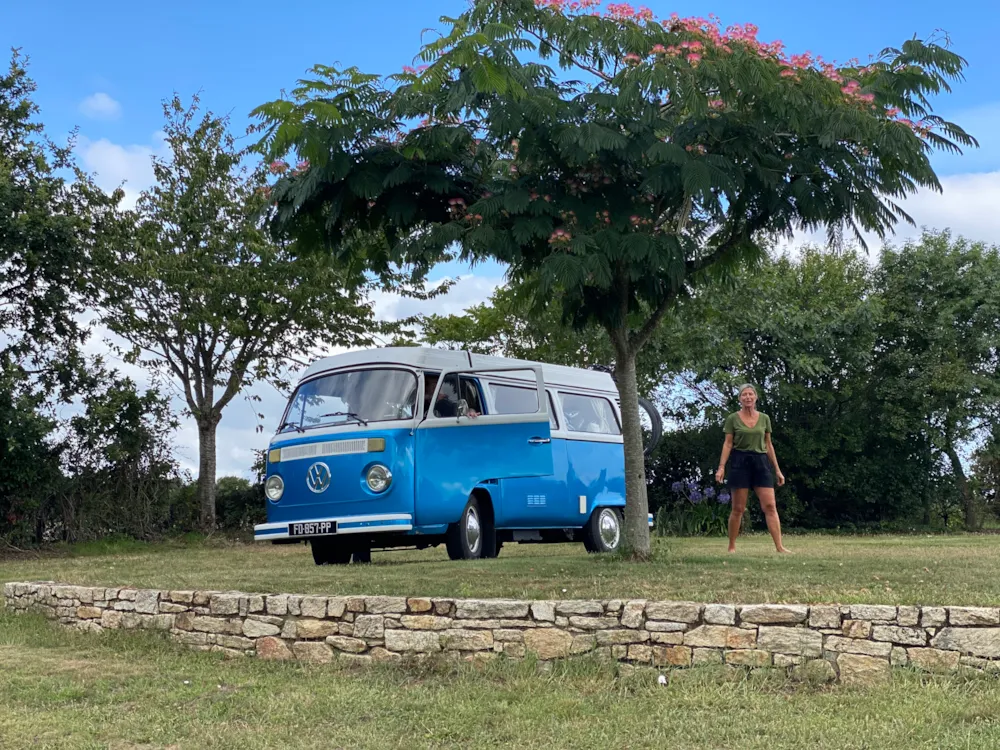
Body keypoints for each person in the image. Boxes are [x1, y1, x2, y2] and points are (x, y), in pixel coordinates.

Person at [714, 383, 789, 553]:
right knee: (738, 508)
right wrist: (721, 467)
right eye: (744, 395)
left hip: (761, 462)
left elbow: (768, 444)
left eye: (750, 394)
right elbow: (727, 444)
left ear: (755, 397)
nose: (747, 397)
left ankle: (779, 547)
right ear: (740, 398)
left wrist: (777, 470)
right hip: (740, 461)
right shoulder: (733, 418)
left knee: (770, 506)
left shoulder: (764, 418)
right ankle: (732, 546)